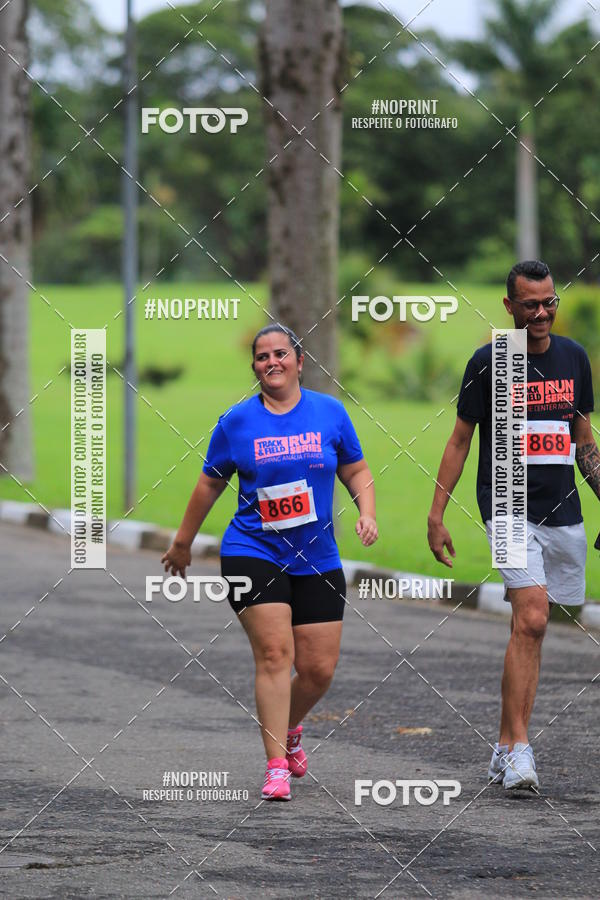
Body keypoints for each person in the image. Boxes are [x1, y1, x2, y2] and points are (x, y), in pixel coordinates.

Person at [162, 323, 378, 801]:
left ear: (300, 361)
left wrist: (367, 512)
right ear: (255, 367)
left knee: (319, 669)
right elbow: (209, 484)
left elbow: (356, 469)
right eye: (262, 357)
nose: (272, 362)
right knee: (276, 655)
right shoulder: (236, 422)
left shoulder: (331, 413)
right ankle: (276, 765)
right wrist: (182, 543)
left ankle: (290, 727)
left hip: (317, 556)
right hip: (252, 551)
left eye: (281, 354)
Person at [427, 260, 599, 790]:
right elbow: (459, 441)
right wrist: (436, 514)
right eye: (531, 305)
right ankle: (522, 751)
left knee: (538, 624)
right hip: (506, 503)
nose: (542, 313)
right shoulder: (490, 364)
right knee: (532, 618)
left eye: (550, 302)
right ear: (509, 307)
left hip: (563, 509)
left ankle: (504, 744)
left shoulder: (574, 358)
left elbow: (583, 440)